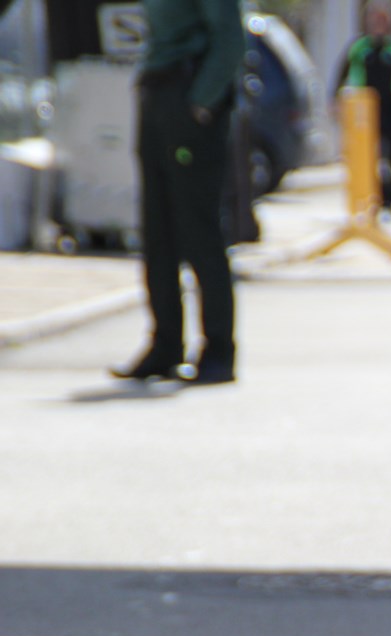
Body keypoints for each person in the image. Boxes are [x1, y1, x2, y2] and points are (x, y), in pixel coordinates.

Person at [109, 0, 245, 386]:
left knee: (198, 231)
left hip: (188, 95)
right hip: (157, 91)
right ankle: (165, 345)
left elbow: (230, 41)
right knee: (158, 232)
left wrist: (201, 102)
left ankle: (218, 350)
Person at [334, 0, 391, 215]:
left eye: (382, 20)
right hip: (365, 109)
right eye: (375, 19)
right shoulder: (359, 48)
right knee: (368, 156)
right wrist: (337, 101)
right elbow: (342, 75)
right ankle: (372, 196)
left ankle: (390, 198)